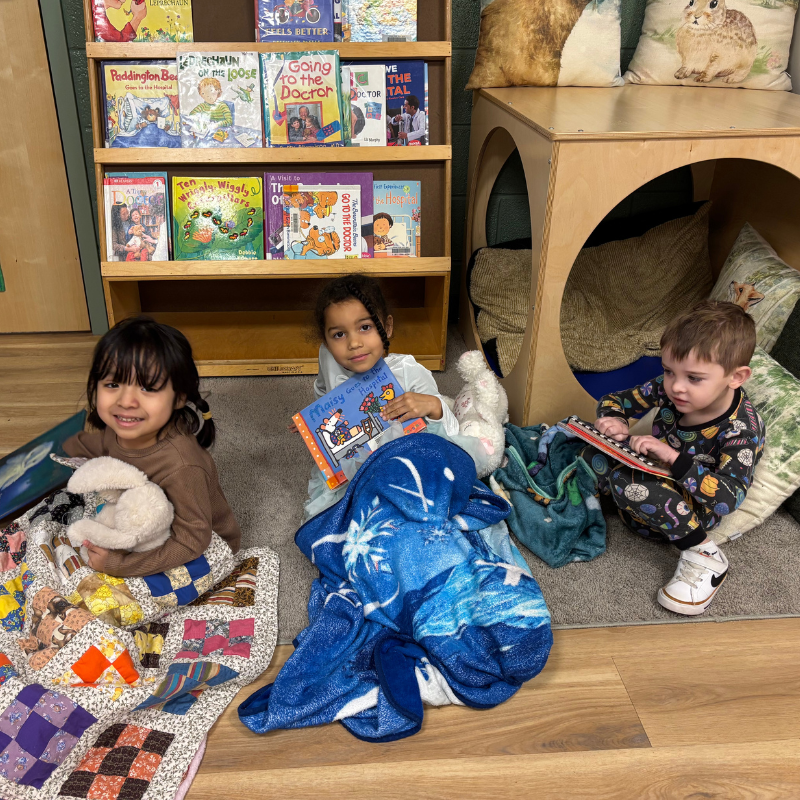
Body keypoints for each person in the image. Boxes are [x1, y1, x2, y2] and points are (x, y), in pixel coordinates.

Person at [590, 300, 765, 616]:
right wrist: (614, 420)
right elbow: (615, 401)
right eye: (669, 371)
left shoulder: (741, 429)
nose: (676, 387)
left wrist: (672, 458)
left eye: (694, 378)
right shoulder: (671, 388)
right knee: (585, 446)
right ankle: (585, 501)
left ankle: (704, 556)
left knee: (625, 481)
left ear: (736, 377)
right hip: (648, 470)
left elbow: (728, 498)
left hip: (691, 507)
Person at [292, 274, 486, 519]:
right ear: (326, 341)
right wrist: (314, 420)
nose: (354, 343)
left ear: (388, 326)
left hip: (409, 464)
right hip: (356, 466)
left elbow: (449, 433)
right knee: (340, 516)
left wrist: (433, 406)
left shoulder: (408, 372)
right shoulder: (328, 359)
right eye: (339, 335)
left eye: (365, 327)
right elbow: (323, 389)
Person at [64, 316, 241, 577]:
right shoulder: (119, 427)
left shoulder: (183, 466)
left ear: (180, 396)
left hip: (199, 548)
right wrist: (54, 451)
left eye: (148, 387)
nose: (126, 401)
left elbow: (193, 540)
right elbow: (98, 445)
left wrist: (119, 566)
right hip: (142, 522)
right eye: (112, 384)